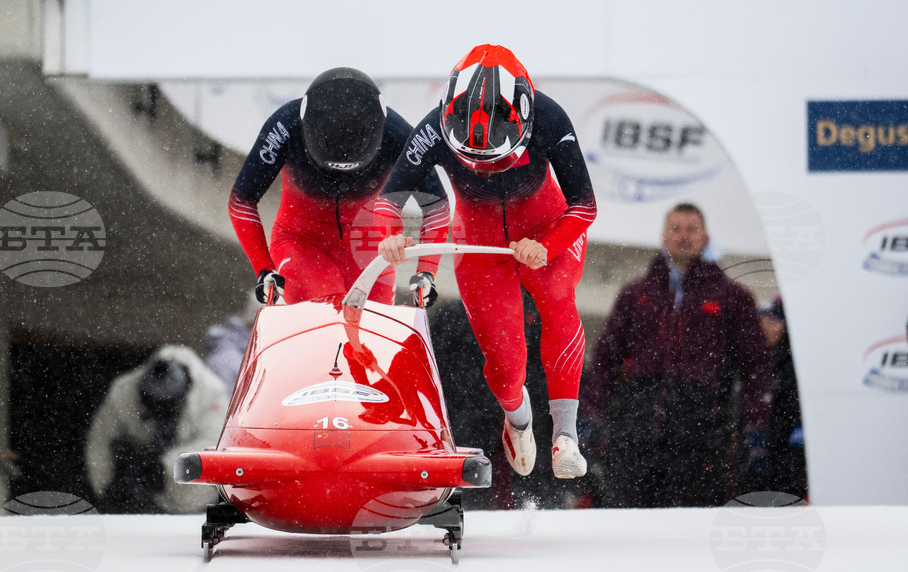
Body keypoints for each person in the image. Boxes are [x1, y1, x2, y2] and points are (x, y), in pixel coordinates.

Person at [377, 44, 597, 480]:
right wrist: (391, 235)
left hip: (546, 225)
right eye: (473, 162)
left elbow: (584, 206)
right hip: (479, 241)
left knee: (556, 296)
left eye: (494, 159)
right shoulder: (434, 128)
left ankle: (566, 436)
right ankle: (518, 420)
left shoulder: (550, 118)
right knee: (505, 361)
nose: (485, 169)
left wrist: (548, 245)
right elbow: (390, 199)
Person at [580, 203, 772, 507]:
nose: (683, 236)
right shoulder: (636, 293)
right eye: (676, 228)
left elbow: (757, 368)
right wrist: (589, 413)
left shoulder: (733, 298)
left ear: (705, 237)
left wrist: (753, 425)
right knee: (628, 523)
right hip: (635, 435)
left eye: (691, 229)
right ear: (663, 236)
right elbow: (606, 357)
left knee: (688, 529)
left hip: (701, 437)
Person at [228, 67, 448, 306]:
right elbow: (242, 200)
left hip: (368, 247)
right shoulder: (284, 127)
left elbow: (437, 207)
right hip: (301, 242)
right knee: (327, 308)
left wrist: (427, 271)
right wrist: (264, 268)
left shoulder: (397, 134)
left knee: (370, 333)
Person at [85, 345, 228, 513]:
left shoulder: (212, 393)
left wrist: (165, 468)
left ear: (185, 392)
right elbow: (100, 442)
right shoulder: (123, 391)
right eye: (154, 404)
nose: (160, 411)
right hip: (134, 486)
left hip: (190, 502)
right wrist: (107, 490)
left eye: (167, 406)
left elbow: (215, 445)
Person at [757, 296, 808, 499]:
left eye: (773, 322)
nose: (766, 328)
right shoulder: (758, 358)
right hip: (766, 448)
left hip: (788, 449)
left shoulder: (794, 364)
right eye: (762, 321)